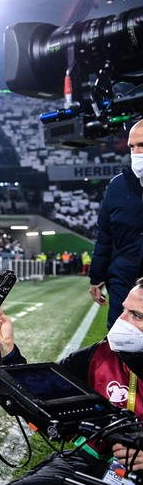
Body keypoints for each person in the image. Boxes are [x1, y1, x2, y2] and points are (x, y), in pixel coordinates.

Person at [0, 279, 143, 485]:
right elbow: (43, 392)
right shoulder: (101, 354)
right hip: (97, 464)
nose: (121, 321)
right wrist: (7, 351)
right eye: (123, 309)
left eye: (136, 315)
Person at [90, 119, 143, 329]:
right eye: (132, 146)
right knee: (120, 339)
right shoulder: (117, 187)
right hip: (123, 278)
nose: (136, 152)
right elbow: (104, 236)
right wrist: (96, 276)